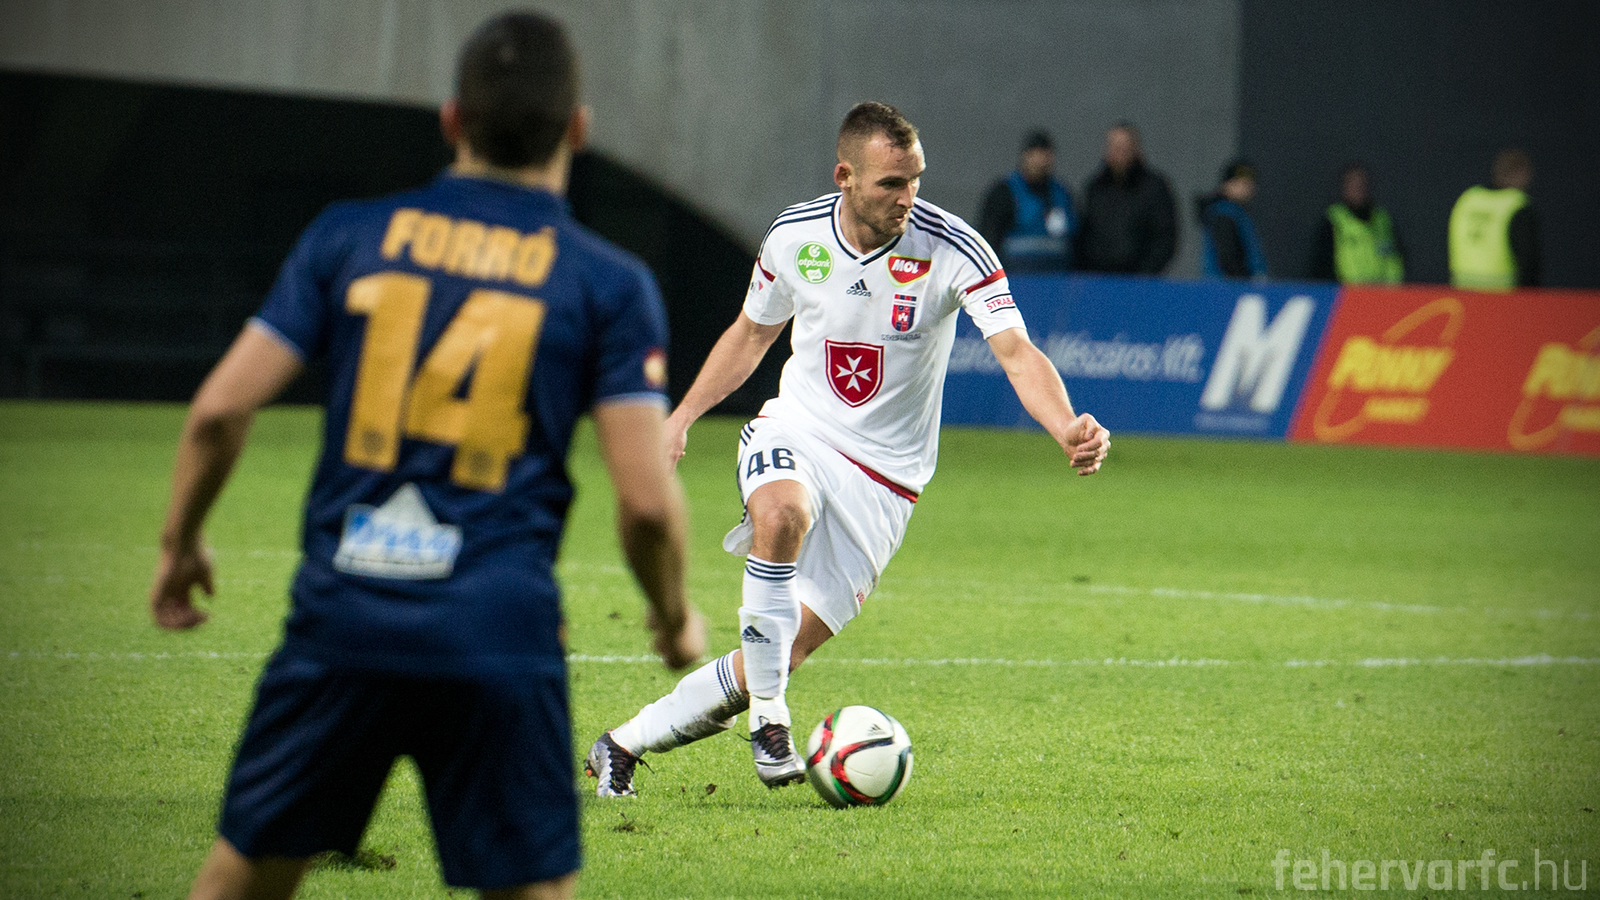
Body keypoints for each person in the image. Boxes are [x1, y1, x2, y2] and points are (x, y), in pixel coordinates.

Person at [147, 12, 705, 900]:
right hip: (498, 634)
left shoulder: (347, 236)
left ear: (451, 120)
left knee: (241, 883)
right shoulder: (607, 281)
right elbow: (644, 503)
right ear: (578, 130)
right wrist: (672, 617)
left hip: (343, 622)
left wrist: (181, 543)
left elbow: (218, 411)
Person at [582, 101, 1109, 797]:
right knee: (781, 515)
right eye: (891, 183)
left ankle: (621, 744)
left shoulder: (954, 248)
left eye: (915, 179)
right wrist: (680, 419)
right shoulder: (794, 236)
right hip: (798, 429)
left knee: (775, 656)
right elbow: (750, 335)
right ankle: (771, 722)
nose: (907, 196)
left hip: (886, 484)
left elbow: (1016, 351)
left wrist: (1065, 424)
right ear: (846, 177)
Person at [1073, 121, 1178, 275]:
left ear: (1136, 149)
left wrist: (1145, 275)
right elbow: (1083, 235)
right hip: (1099, 280)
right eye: (1115, 147)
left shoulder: (1154, 188)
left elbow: (1165, 237)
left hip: (1140, 280)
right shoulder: (1095, 188)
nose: (1120, 153)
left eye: (1125, 147)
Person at [976, 129, 1077, 273]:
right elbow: (989, 239)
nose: (1040, 161)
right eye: (1034, 155)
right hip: (1016, 275)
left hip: (1057, 277)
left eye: (1044, 155)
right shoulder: (1004, 192)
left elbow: (1075, 239)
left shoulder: (1062, 194)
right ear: (1024, 156)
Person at [1449, 148, 1541, 289]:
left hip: (1463, 290)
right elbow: (1529, 261)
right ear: (1521, 173)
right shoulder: (1517, 204)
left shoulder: (1468, 199)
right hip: (1504, 294)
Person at [1309, 162, 1405, 284]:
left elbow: (1394, 260)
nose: (1358, 190)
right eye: (1353, 185)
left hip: (1382, 292)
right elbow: (1321, 264)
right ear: (1344, 188)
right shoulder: (1334, 220)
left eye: (1361, 185)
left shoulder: (1382, 220)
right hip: (1347, 292)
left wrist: (1394, 289)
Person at [1197, 158, 1268, 279]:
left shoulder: (1237, 214)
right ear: (1227, 184)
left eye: (1250, 183)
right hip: (1228, 285)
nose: (1248, 188)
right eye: (1241, 183)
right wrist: (1241, 281)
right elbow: (1227, 256)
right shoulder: (1224, 213)